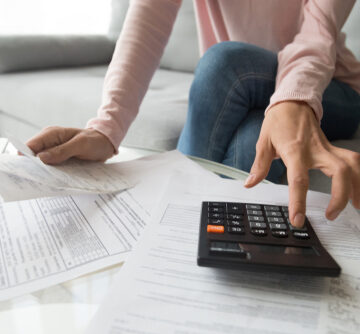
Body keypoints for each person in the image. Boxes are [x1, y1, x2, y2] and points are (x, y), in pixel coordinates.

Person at [27, 0, 360, 229]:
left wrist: (292, 101)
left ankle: (166, 227)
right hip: (241, 95)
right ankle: (196, 245)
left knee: (223, 60)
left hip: (330, 87)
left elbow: (318, 35)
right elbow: (147, 20)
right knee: (251, 141)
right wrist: (106, 128)